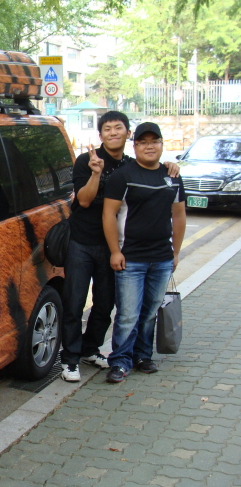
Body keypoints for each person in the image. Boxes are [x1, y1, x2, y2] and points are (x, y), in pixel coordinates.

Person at [60, 111, 180, 383]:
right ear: (100, 134)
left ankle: (90, 348)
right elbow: (84, 201)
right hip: (82, 241)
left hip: (114, 246)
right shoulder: (87, 160)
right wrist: (95, 173)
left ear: (128, 134)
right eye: (107, 129)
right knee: (74, 303)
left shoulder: (130, 164)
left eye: (118, 128)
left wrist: (170, 166)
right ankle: (69, 359)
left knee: (105, 304)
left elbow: (154, 171)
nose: (113, 133)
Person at [102, 122, 186, 383]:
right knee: (128, 314)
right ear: (135, 145)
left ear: (161, 144)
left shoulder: (172, 176)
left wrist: (175, 252)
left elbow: (179, 215)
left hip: (161, 258)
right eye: (143, 142)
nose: (149, 146)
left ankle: (143, 356)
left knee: (150, 312)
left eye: (154, 141)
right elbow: (108, 214)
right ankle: (120, 361)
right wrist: (115, 251)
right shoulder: (123, 176)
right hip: (131, 258)